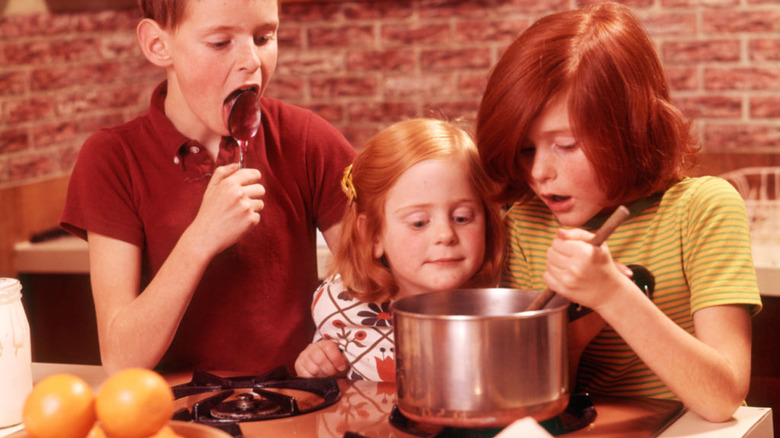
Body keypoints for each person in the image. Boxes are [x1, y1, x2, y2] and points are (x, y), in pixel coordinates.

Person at [476, 1, 762, 423]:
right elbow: (525, 401)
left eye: (567, 145)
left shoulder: (703, 208)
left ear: (630, 127)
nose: (539, 173)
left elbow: (722, 399)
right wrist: (570, 342)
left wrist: (611, 294)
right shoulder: (523, 224)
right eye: (525, 149)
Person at [59, 0, 356, 376]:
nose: (252, 61)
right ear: (157, 44)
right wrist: (200, 238)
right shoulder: (112, 159)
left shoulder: (306, 139)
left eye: (264, 37)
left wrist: (337, 337)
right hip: (176, 421)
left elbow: (378, 281)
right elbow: (122, 359)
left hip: (300, 406)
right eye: (220, 43)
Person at [294, 118, 505, 381]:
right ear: (372, 236)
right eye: (419, 223)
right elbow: (324, 385)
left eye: (462, 218)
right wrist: (317, 363)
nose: (445, 235)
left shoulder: (502, 307)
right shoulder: (339, 307)